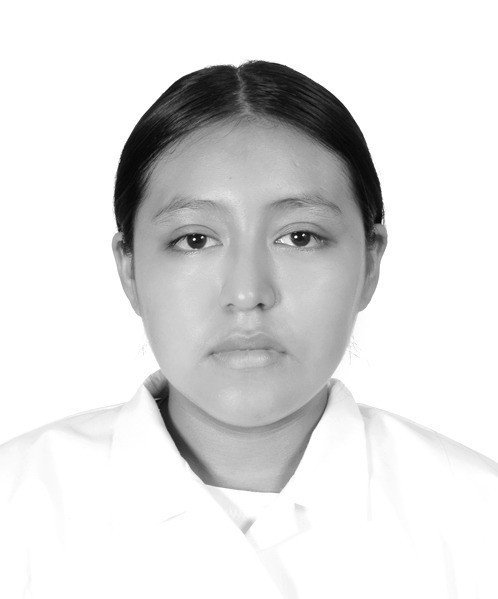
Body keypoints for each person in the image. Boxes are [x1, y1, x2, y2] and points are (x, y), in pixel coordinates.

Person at [0, 60, 497, 599]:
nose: (246, 292)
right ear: (130, 269)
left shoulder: (478, 519)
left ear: (370, 262)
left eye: (300, 237)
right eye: (195, 240)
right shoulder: (16, 508)